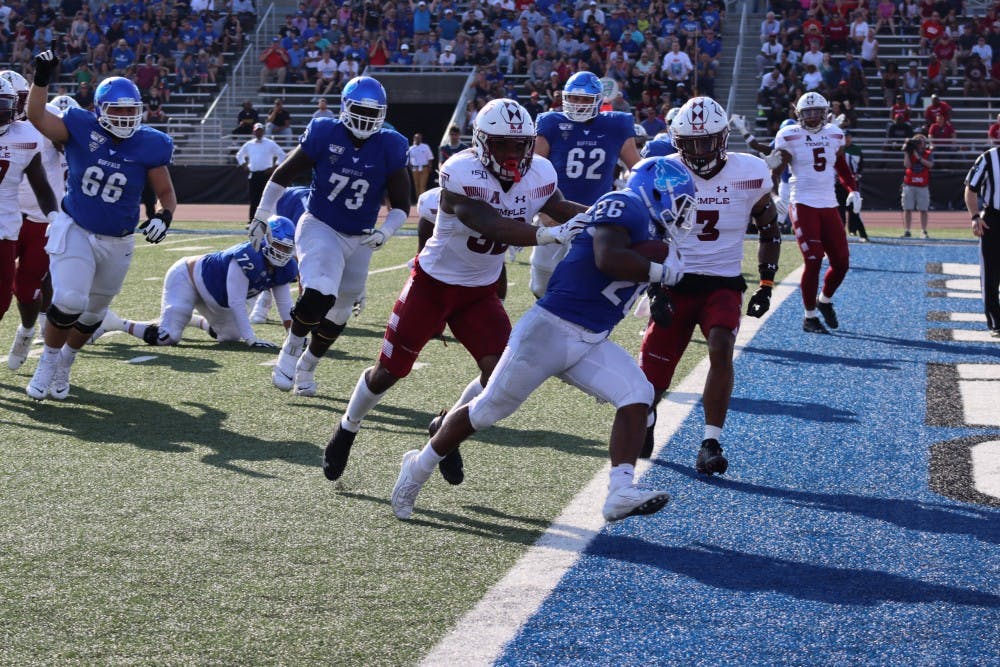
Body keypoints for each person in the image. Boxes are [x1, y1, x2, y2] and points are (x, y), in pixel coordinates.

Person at [386, 156, 693, 522]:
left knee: (638, 394)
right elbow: (607, 257)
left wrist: (658, 284)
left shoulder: (648, 229)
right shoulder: (623, 203)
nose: (682, 213)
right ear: (654, 193)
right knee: (487, 410)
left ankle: (620, 491)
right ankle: (417, 469)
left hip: (590, 338)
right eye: (679, 202)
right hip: (550, 329)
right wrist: (660, 271)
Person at [322, 98, 588, 485]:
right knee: (389, 372)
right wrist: (547, 234)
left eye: (519, 144)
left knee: (500, 373)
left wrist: (608, 215)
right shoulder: (461, 171)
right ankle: (347, 428)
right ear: (481, 142)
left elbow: (559, 206)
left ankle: (446, 427)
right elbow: (488, 224)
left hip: (478, 293)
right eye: (501, 144)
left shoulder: (540, 172)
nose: (512, 154)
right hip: (432, 287)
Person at [639, 97, 781, 474]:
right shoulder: (660, 170)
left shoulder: (748, 170)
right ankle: (648, 415)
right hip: (673, 281)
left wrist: (766, 282)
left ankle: (710, 441)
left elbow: (769, 227)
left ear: (723, 138)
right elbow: (644, 232)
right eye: (691, 142)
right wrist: (651, 286)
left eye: (707, 141)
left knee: (722, 346)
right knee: (652, 380)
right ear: (676, 139)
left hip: (722, 282)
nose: (700, 151)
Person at [25, 52, 176, 400]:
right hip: (76, 226)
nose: (124, 117)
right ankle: (46, 362)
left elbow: (165, 193)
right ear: (99, 109)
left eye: (130, 110)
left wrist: (163, 216)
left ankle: (66, 361)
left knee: (94, 311)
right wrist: (41, 79)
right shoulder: (80, 127)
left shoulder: (150, 143)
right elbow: (36, 115)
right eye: (117, 110)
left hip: (118, 240)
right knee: (69, 298)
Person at [249, 76, 410, 397]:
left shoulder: (391, 144)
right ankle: (291, 348)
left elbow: (403, 204)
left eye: (372, 112)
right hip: (320, 225)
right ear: (345, 107)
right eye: (360, 110)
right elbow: (283, 173)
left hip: (361, 237)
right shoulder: (325, 131)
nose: (365, 118)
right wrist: (261, 214)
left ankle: (307, 366)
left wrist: (386, 231)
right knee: (321, 291)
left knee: (339, 312)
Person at [104, 217, 298, 348]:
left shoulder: (285, 267)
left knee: (230, 337)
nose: (282, 253)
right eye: (278, 245)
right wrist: (251, 339)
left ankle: (190, 319)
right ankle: (117, 323)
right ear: (265, 239)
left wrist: (294, 337)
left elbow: (284, 304)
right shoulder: (246, 256)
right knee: (167, 337)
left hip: (215, 295)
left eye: (286, 248)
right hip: (187, 278)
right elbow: (236, 301)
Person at [531, 71, 641, 298]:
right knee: (540, 286)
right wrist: (542, 209)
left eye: (585, 99)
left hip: (596, 216)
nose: (578, 104)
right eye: (573, 98)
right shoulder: (551, 123)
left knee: (587, 284)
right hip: (554, 212)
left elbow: (637, 169)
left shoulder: (616, 124)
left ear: (598, 100)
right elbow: (533, 170)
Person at [767, 92, 861, 334]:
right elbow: (775, 171)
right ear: (798, 114)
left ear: (825, 111)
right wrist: (775, 195)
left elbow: (840, 165)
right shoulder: (789, 135)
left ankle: (825, 300)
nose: (811, 116)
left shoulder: (834, 134)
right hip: (802, 203)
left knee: (841, 262)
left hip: (828, 204)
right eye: (807, 112)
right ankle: (809, 316)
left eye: (816, 111)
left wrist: (853, 190)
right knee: (813, 259)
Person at [0, 77, 59, 366]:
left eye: (7, 103)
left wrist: (56, 217)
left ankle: (26, 330)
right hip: (13, 218)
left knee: (19, 290)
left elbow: (42, 183)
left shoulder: (32, 132)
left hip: (22, 222)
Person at [964, 146, 1000, 338]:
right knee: (991, 272)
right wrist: (975, 216)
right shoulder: (988, 157)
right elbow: (971, 189)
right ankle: (996, 321)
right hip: (994, 219)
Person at [236, 122, 285, 221]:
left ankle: (269, 220)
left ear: (263, 132)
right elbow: (239, 155)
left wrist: (274, 167)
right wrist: (244, 165)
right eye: (257, 131)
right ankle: (252, 220)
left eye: (261, 131)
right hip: (254, 174)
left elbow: (282, 155)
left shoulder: (270, 143)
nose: (259, 133)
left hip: (266, 174)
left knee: (267, 198)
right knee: (254, 198)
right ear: (253, 132)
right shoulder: (249, 144)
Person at [837, 131, 869, 242]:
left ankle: (862, 233)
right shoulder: (833, 152)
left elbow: (850, 171)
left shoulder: (848, 155)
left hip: (848, 185)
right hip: (837, 185)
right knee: (839, 211)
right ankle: (841, 235)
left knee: (854, 210)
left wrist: (856, 177)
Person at [901, 134, 934, 238]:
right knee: (907, 209)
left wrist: (918, 157)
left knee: (923, 209)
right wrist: (907, 151)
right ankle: (907, 230)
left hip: (922, 185)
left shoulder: (928, 153)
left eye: (921, 141)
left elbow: (930, 165)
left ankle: (924, 230)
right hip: (909, 184)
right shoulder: (910, 153)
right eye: (917, 141)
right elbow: (907, 165)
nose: (920, 143)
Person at [407, 132, 434, 197]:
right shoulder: (410, 148)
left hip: (424, 168)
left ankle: (422, 200)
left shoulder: (425, 147)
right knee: (416, 185)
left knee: (423, 185)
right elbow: (408, 159)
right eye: (416, 138)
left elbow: (430, 157)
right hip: (415, 168)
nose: (418, 139)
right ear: (414, 138)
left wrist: (430, 167)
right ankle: (418, 200)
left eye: (419, 138)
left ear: (421, 139)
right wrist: (410, 167)